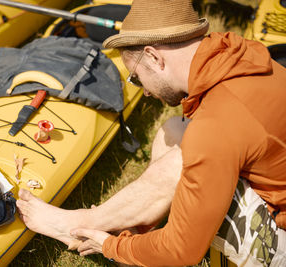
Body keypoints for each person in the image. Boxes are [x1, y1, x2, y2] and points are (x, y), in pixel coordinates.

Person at [16, 0, 286, 266]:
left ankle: (79, 225)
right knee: (174, 129)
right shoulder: (237, 54)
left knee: (184, 159)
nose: (143, 90)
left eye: (135, 77)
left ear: (155, 57)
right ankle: (136, 225)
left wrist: (111, 246)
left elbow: (182, 251)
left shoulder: (217, 125)